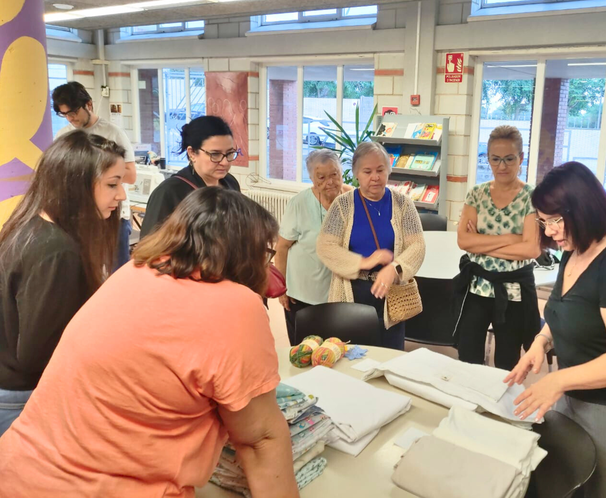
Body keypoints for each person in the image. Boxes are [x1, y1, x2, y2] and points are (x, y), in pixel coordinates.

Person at [0, 188, 299, 498]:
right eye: (265, 254)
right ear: (246, 253)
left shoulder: (132, 272)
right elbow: (260, 439)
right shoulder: (236, 305)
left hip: (18, 470)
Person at [506, 161, 606, 498]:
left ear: (583, 209)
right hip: (576, 397)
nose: (550, 231)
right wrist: (541, 341)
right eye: (543, 221)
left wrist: (557, 380)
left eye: (555, 220)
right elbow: (569, 310)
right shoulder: (575, 249)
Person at [0, 132, 126, 435]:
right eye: (112, 184)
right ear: (76, 185)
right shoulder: (57, 250)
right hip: (24, 397)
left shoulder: (30, 225)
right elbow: (37, 354)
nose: (121, 195)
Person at [316, 141, 425, 350]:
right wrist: (364, 262)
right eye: (367, 171)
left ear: (388, 170)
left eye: (380, 170)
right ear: (356, 174)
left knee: (390, 355)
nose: (375, 177)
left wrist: (395, 268)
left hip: (391, 293)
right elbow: (325, 246)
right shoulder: (343, 205)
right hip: (351, 291)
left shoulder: (403, 204)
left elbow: (417, 246)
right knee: (352, 353)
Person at [455, 125, 540, 370]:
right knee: (467, 356)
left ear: (521, 158)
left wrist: (480, 244)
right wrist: (512, 238)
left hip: (514, 291)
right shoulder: (476, 194)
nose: (502, 166)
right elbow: (463, 242)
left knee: (507, 361)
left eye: (509, 159)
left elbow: (531, 250)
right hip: (477, 287)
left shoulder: (531, 196)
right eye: (495, 159)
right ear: (488, 159)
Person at [52, 81, 136, 269]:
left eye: (73, 112)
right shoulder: (63, 136)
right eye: (64, 114)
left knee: (117, 272)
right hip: (79, 215)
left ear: (88, 104)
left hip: (114, 215)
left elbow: (131, 175)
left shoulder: (113, 133)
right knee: (85, 271)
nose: (70, 118)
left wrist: (99, 172)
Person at [274, 150, 351, 345]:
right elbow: (281, 248)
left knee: (335, 349)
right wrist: (281, 288)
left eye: (334, 174)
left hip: (338, 292)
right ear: (311, 178)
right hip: (301, 293)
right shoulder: (299, 203)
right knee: (303, 349)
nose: (330, 182)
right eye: (321, 177)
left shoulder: (352, 199)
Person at [140, 115, 241, 238]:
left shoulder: (231, 183)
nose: (224, 162)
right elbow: (149, 244)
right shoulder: (169, 192)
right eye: (215, 154)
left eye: (230, 153)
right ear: (192, 153)